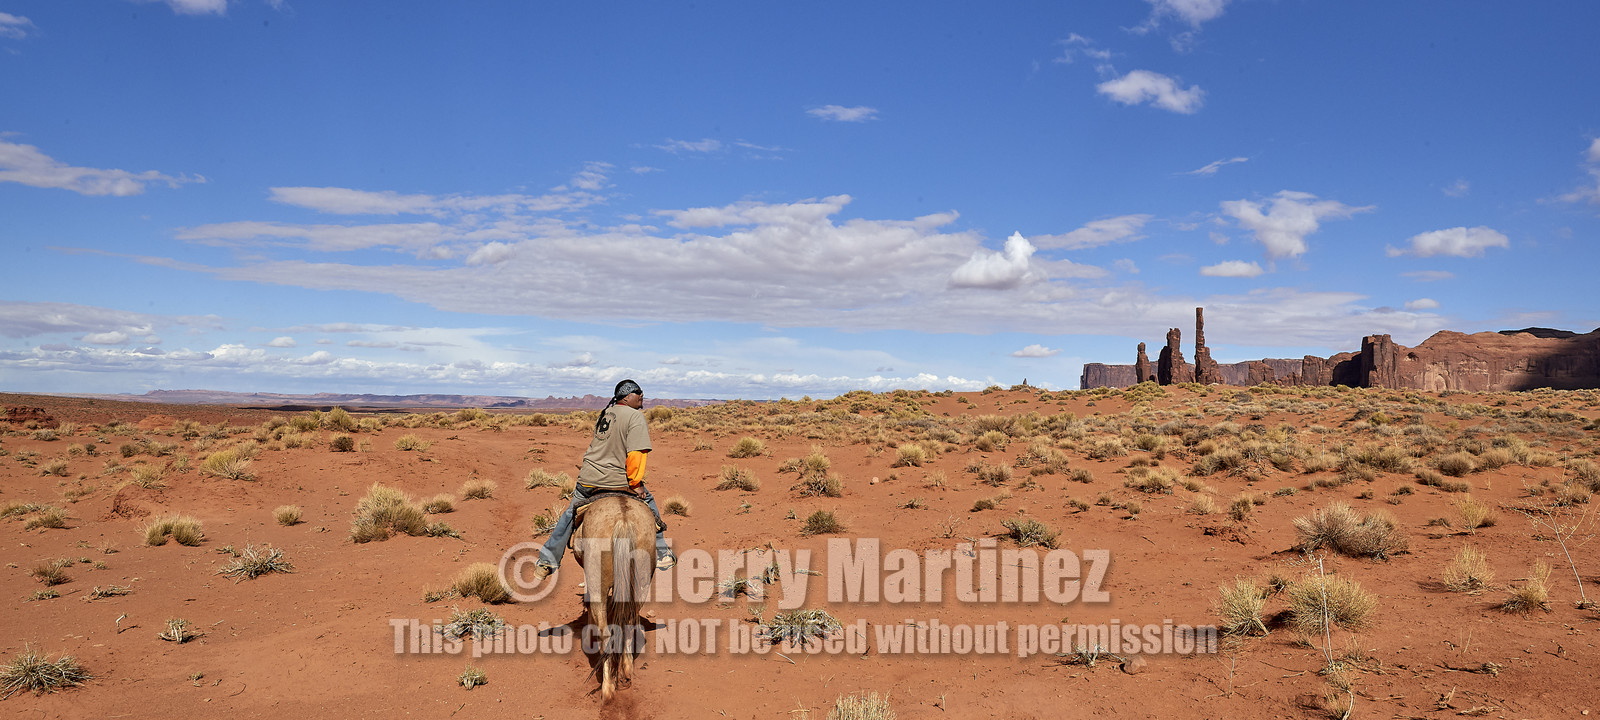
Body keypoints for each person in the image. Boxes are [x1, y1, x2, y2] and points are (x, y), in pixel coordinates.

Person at [534, 379, 675, 578]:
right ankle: (661, 553)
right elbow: (636, 454)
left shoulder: (607, 413)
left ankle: (546, 561)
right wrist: (636, 484)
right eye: (638, 392)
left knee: (569, 516)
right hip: (617, 480)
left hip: (588, 479)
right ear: (627, 396)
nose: (642, 395)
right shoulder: (635, 417)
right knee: (649, 502)